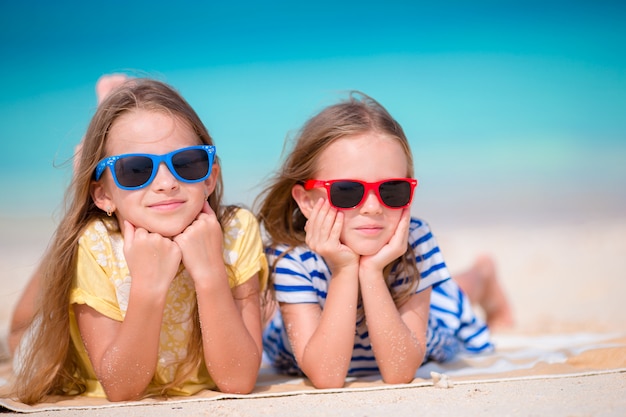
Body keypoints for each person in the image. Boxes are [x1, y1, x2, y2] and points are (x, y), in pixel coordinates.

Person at [10, 78, 268, 404]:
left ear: (210, 178)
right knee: (20, 336)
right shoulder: (97, 244)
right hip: (55, 334)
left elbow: (239, 380)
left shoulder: (236, 232)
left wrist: (211, 274)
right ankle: (87, 166)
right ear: (104, 195)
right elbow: (122, 389)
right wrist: (148, 286)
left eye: (187, 163)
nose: (166, 182)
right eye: (135, 169)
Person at [257, 91, 513, 388]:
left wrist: (371, 271)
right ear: (308, 201)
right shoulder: (291, 259)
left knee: (452, 299)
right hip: (305, 323)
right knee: (273, 306)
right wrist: (344, 270)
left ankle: (483, 275)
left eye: (391, 190)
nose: (372, 206)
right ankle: (481, 274)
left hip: (416, 326)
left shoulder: (414, 242)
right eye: (347, 191)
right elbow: (326, 376)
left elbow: (399, 372)